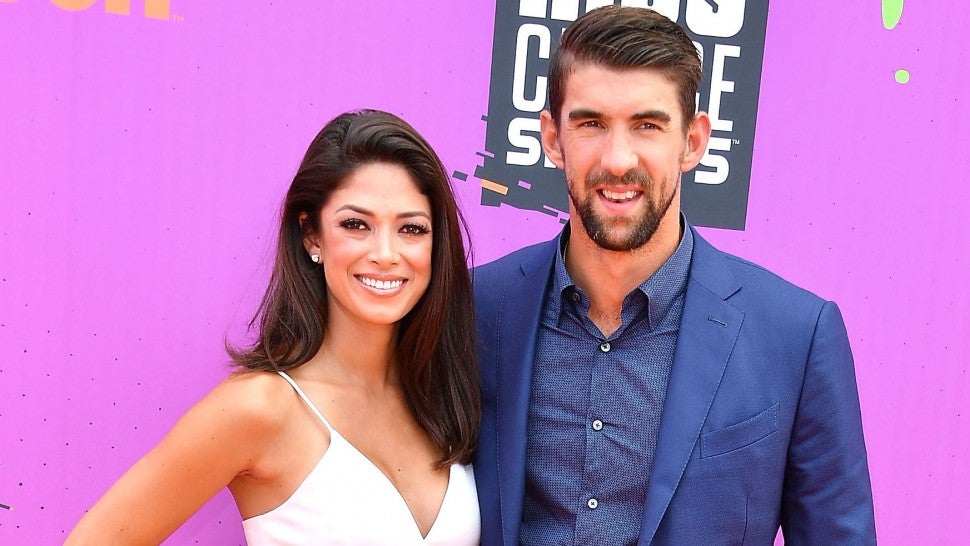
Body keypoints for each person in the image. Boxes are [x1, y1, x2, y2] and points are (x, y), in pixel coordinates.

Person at [472, 6, 875, 545]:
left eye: (647, 125)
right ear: (551, 137)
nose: (619, 159)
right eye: (591, 124)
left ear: (693, 141)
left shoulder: (794, 336)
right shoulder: (477, 308)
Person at [66, 110, 481, 545]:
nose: (386, 253)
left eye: (411, 229)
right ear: (312, 235)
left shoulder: (447, 400)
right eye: (355, 225)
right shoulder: (259, 408)